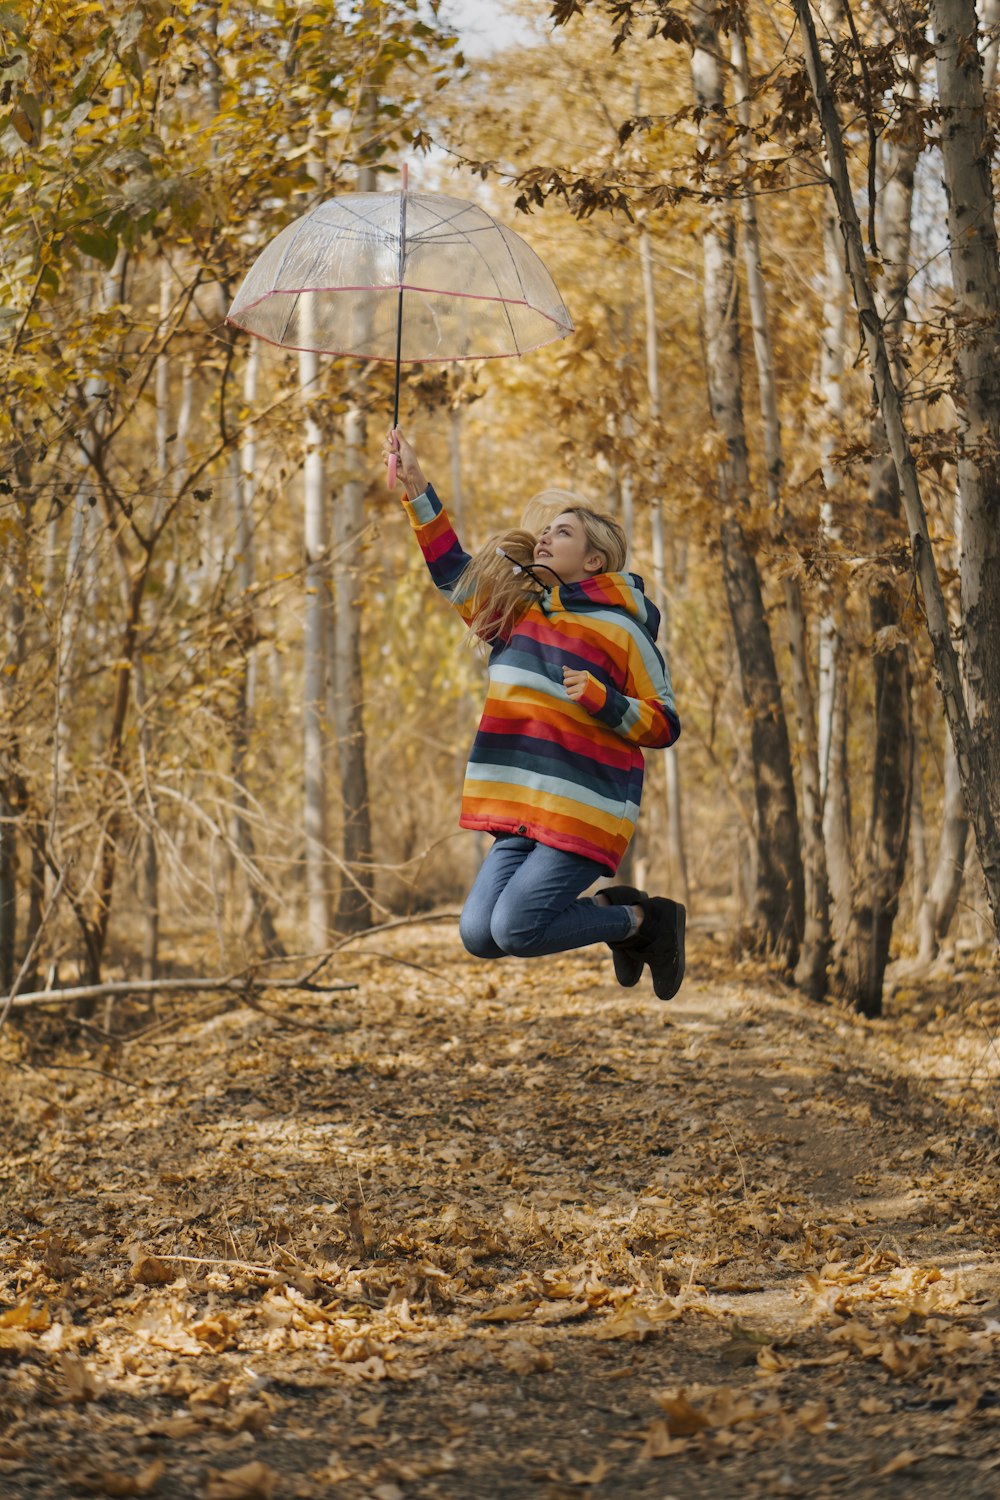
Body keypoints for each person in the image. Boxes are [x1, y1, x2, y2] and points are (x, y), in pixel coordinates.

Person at [384, 427, 685, 1000]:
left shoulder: (623, 631)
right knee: (479, 933)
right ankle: (623, 918)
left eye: (562, 532)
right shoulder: (515, 615)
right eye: (545, 529)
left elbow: (665, 722)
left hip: (581, 814)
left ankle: (645, 923)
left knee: (516, 930)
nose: (545, 537)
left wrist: (606, 701)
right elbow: (452, 571)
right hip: (521, 810)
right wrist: (415, 485)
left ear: (593, 559)